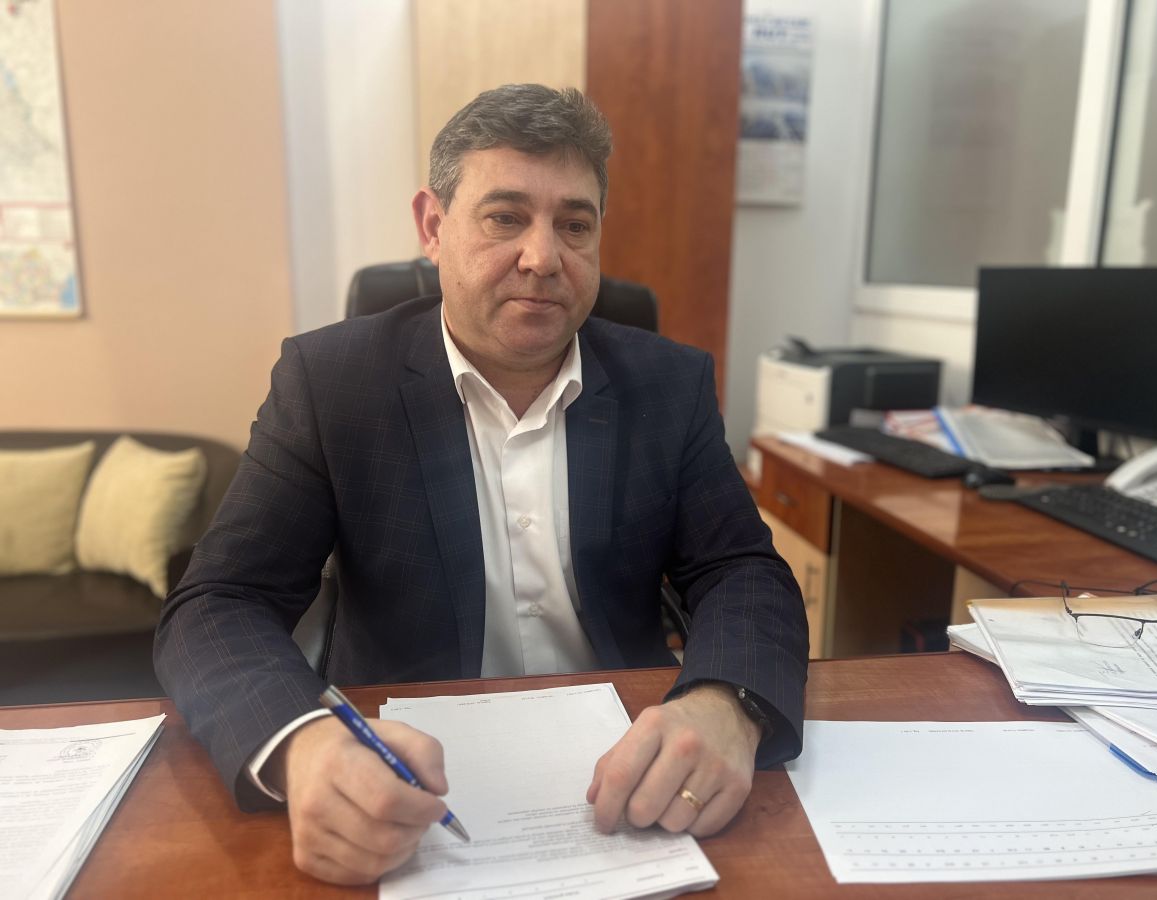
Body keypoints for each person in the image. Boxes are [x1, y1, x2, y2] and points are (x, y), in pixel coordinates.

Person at [155, 83, 808, 886]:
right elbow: (218, 603)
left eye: (575, 224)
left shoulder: (667, 384)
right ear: (433, 226)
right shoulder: (332, 384)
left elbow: (741, 570)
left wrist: (726, 703)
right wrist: (300, 741)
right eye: (505, 218)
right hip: (408, 782)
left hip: (632, 775)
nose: (543, 257)